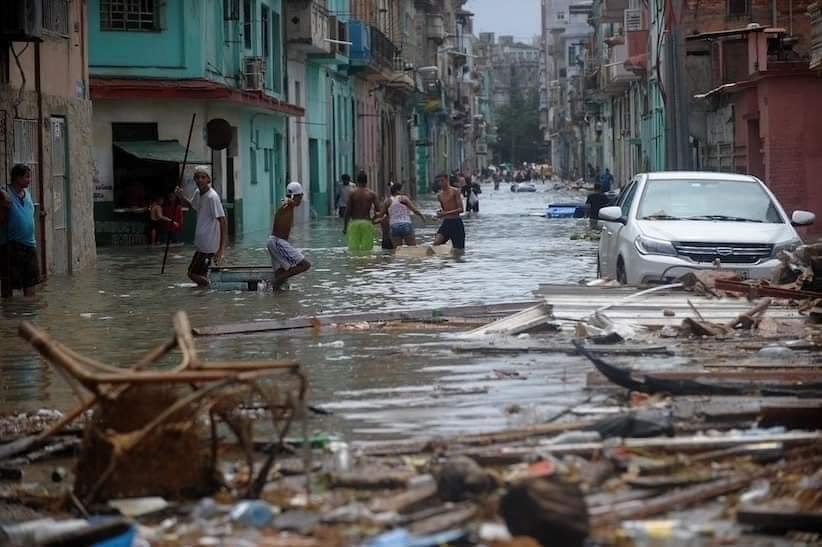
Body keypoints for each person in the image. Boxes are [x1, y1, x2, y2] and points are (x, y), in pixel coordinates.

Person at [175, 165, 226, 287]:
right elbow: (192, 207)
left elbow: (222, 220)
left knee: (192, 273)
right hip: (201, 244)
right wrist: (181, 197)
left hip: (209, 246)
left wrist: (221, 249)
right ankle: (203, 298)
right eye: (197, 177)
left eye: (203, 177)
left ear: (208, 180)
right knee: (200, 275)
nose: (200, 180)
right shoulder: (198, 193)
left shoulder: (212, 197)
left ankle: (212, 288)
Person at [0, 164, 39, 298]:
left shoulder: (27, 194)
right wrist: (3, 195)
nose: (29, 180)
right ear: (17, 177)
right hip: (12, 244)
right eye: (26, 177)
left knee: (31, 281)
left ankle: (28, 310)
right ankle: (11, 312)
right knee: (10, 282)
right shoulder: (5, 191)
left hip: (30, 244)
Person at [267, 182, 311, 290]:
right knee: (305, 265)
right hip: (278, 242)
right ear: (296, 196)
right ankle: (274, 283)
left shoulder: (288, 206)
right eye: (300, 196)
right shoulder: (288, 204)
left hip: (273, 241)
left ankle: (277, 299)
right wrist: (290, 199)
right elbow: (286, 201)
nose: (301, 199)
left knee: (281, 273)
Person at [343, 171, 379, 252]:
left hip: (354, 223)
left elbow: (348, 211)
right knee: (367, 251)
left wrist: (345, 227)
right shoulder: (372, 194)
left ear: (357, 181)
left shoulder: (352, 193)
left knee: (353, 250)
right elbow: (378, 211)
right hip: (367, 223)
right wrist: (373, 220)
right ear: (366, 181)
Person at [383, 182, 426, 247]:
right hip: (406, 225)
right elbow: (415, 210)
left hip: (394, 226)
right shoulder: (404, 198)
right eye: (402, 189)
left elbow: (381, 214)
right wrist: (422, 216)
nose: (403, 191)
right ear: (398, 190)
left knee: (397, 251)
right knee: (413, 248)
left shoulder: (387, 201)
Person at [433, 173, 465, 251]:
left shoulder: (455, 191)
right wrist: (438, 215)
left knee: (458, 250)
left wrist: (445, 213)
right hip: (446, 223)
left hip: (456, 223)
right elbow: (444, 210)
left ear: (447, 180)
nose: (440, 183)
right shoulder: (439, 195)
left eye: (442, 181)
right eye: (438, 182)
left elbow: (461, 209)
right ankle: (443, 261)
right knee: (436, 243)